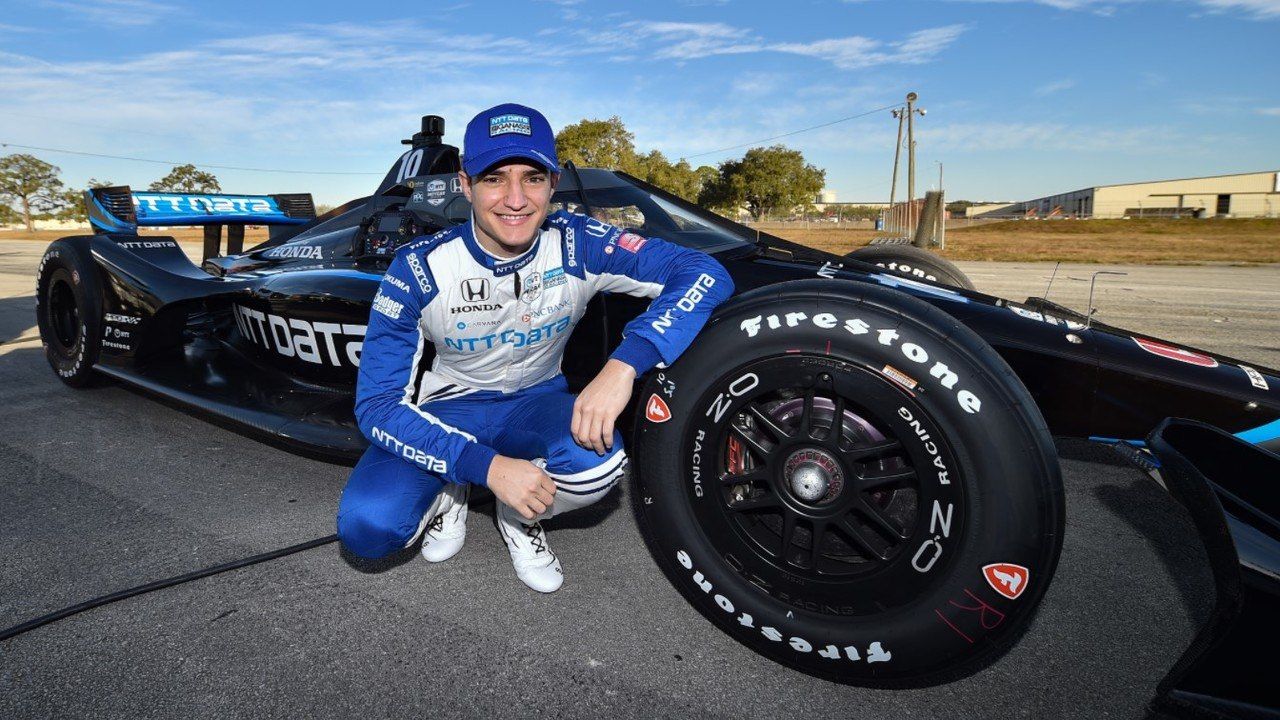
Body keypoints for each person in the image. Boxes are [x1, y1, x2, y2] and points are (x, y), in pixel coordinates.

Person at [335, 103, 733, 592]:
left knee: (599, 465)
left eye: (533, 177)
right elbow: (375, 407)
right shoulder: (420, 267)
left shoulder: (579, 242)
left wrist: (625, 364)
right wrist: (486, 466)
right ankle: (453, 487)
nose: (516, 199)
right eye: (494, 178)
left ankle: (519, 515)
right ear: (465, 184)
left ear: (553, 182)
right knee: (369, 529)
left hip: (536, 402)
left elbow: (704, 273)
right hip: (448, 409)